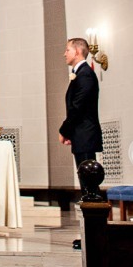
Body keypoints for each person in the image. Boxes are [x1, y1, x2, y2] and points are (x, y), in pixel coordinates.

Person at [59, 36, 103, 249]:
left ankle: (92, 237)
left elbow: (77, 107)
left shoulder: (85, 75)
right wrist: (71, 133)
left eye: (67, 49)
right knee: (86, 188)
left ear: (77, 51)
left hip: (86, 137)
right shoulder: (80, 74)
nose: (64, 53)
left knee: (89, 189)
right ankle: (88, 236)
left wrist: (64, 130)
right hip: (81, 136)